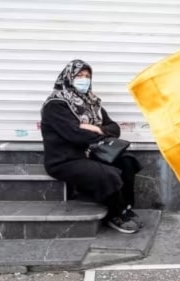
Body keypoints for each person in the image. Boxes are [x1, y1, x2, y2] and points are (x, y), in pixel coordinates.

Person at [40, 59, 143, 234]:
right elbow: (75, 135)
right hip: (65, 160)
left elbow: (115, 129)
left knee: (127, 161)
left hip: (92, 153)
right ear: (68, 77)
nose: (84, 79)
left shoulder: (91, 103)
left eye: (87, 76)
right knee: (107, 174)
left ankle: (124, 207)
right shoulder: (55, 105)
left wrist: (94, 127)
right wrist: (92, 131)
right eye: (79, 75)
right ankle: (115, 214)